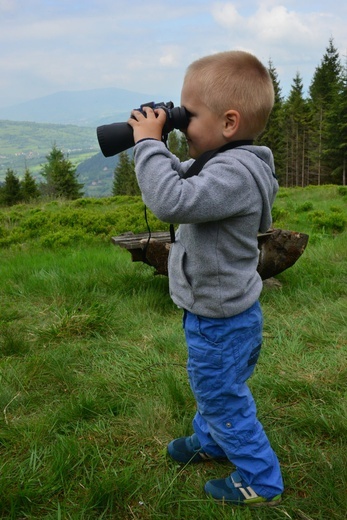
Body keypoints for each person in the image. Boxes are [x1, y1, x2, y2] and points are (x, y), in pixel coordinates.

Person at [127, 50, 284, 507]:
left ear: (229, 123)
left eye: (187, 116)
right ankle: (214, 441)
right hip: (226, 313)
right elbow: (188, 180)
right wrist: (164, 139)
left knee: (221, 395)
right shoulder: (231, 162)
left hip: (220, 321)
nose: (180, 123)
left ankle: (261, 480)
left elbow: (171, 200)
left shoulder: (233, 173)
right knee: (212, 386)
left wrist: (147, 144)